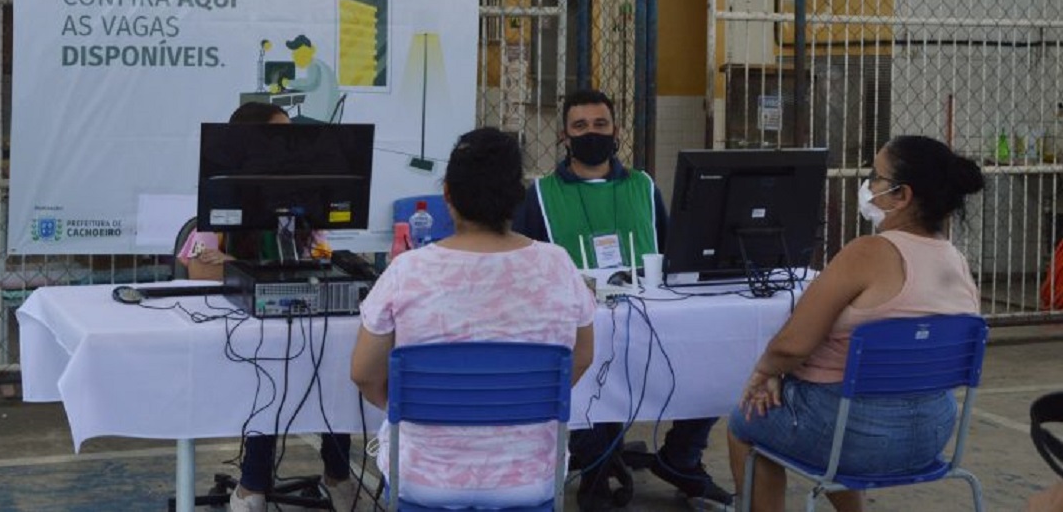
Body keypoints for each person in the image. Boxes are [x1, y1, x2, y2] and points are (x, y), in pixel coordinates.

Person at [727, 135, 985, 512]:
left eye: (875, 177)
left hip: (853, 435)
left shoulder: (867, 253)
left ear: (903, 196)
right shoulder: (957, 262)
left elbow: (791, 345)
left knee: (747, 419)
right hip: (933, 433)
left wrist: (763, 373)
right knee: (837, 412)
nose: (867, 184)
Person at [350, 127, 596, 508]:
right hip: (531, 478)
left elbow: (364, 374)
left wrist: (411, 405)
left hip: (424, 478)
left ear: (446, 194)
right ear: (518, 196)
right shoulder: (558, 265)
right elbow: (581, 358)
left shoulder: (407, 270)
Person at [512, 88, 732, 509]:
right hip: (579, 327)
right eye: (580, 126)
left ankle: (681, 458)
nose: (590, 133)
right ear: (564, 136)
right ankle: (595, 462)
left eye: (600, 124)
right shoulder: (540, 194)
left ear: (616, 131)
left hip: (651, 319)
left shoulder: (642, 186)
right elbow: (525, 265)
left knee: (717, 363)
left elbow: (671, 252)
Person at [178, 100, 354, 512]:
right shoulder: (222, 204)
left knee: (335, 363)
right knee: (267, 371)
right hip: (241, 335)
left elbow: (321, 261)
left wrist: (242, 265)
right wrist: (243, 267)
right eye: (279, 137)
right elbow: (199, 274)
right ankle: (253, 485)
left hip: (300, 326)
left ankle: (338, 476)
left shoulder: (305, 207)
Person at [282, 34, 341, 122]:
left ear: (310, 51)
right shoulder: (320, 64)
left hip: (319, 120)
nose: (295, 57)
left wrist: (288, 83)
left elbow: (310, 84)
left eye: (298, 53)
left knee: (287, 122)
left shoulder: (314, 65)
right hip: (328, 118)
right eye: (294, 54)